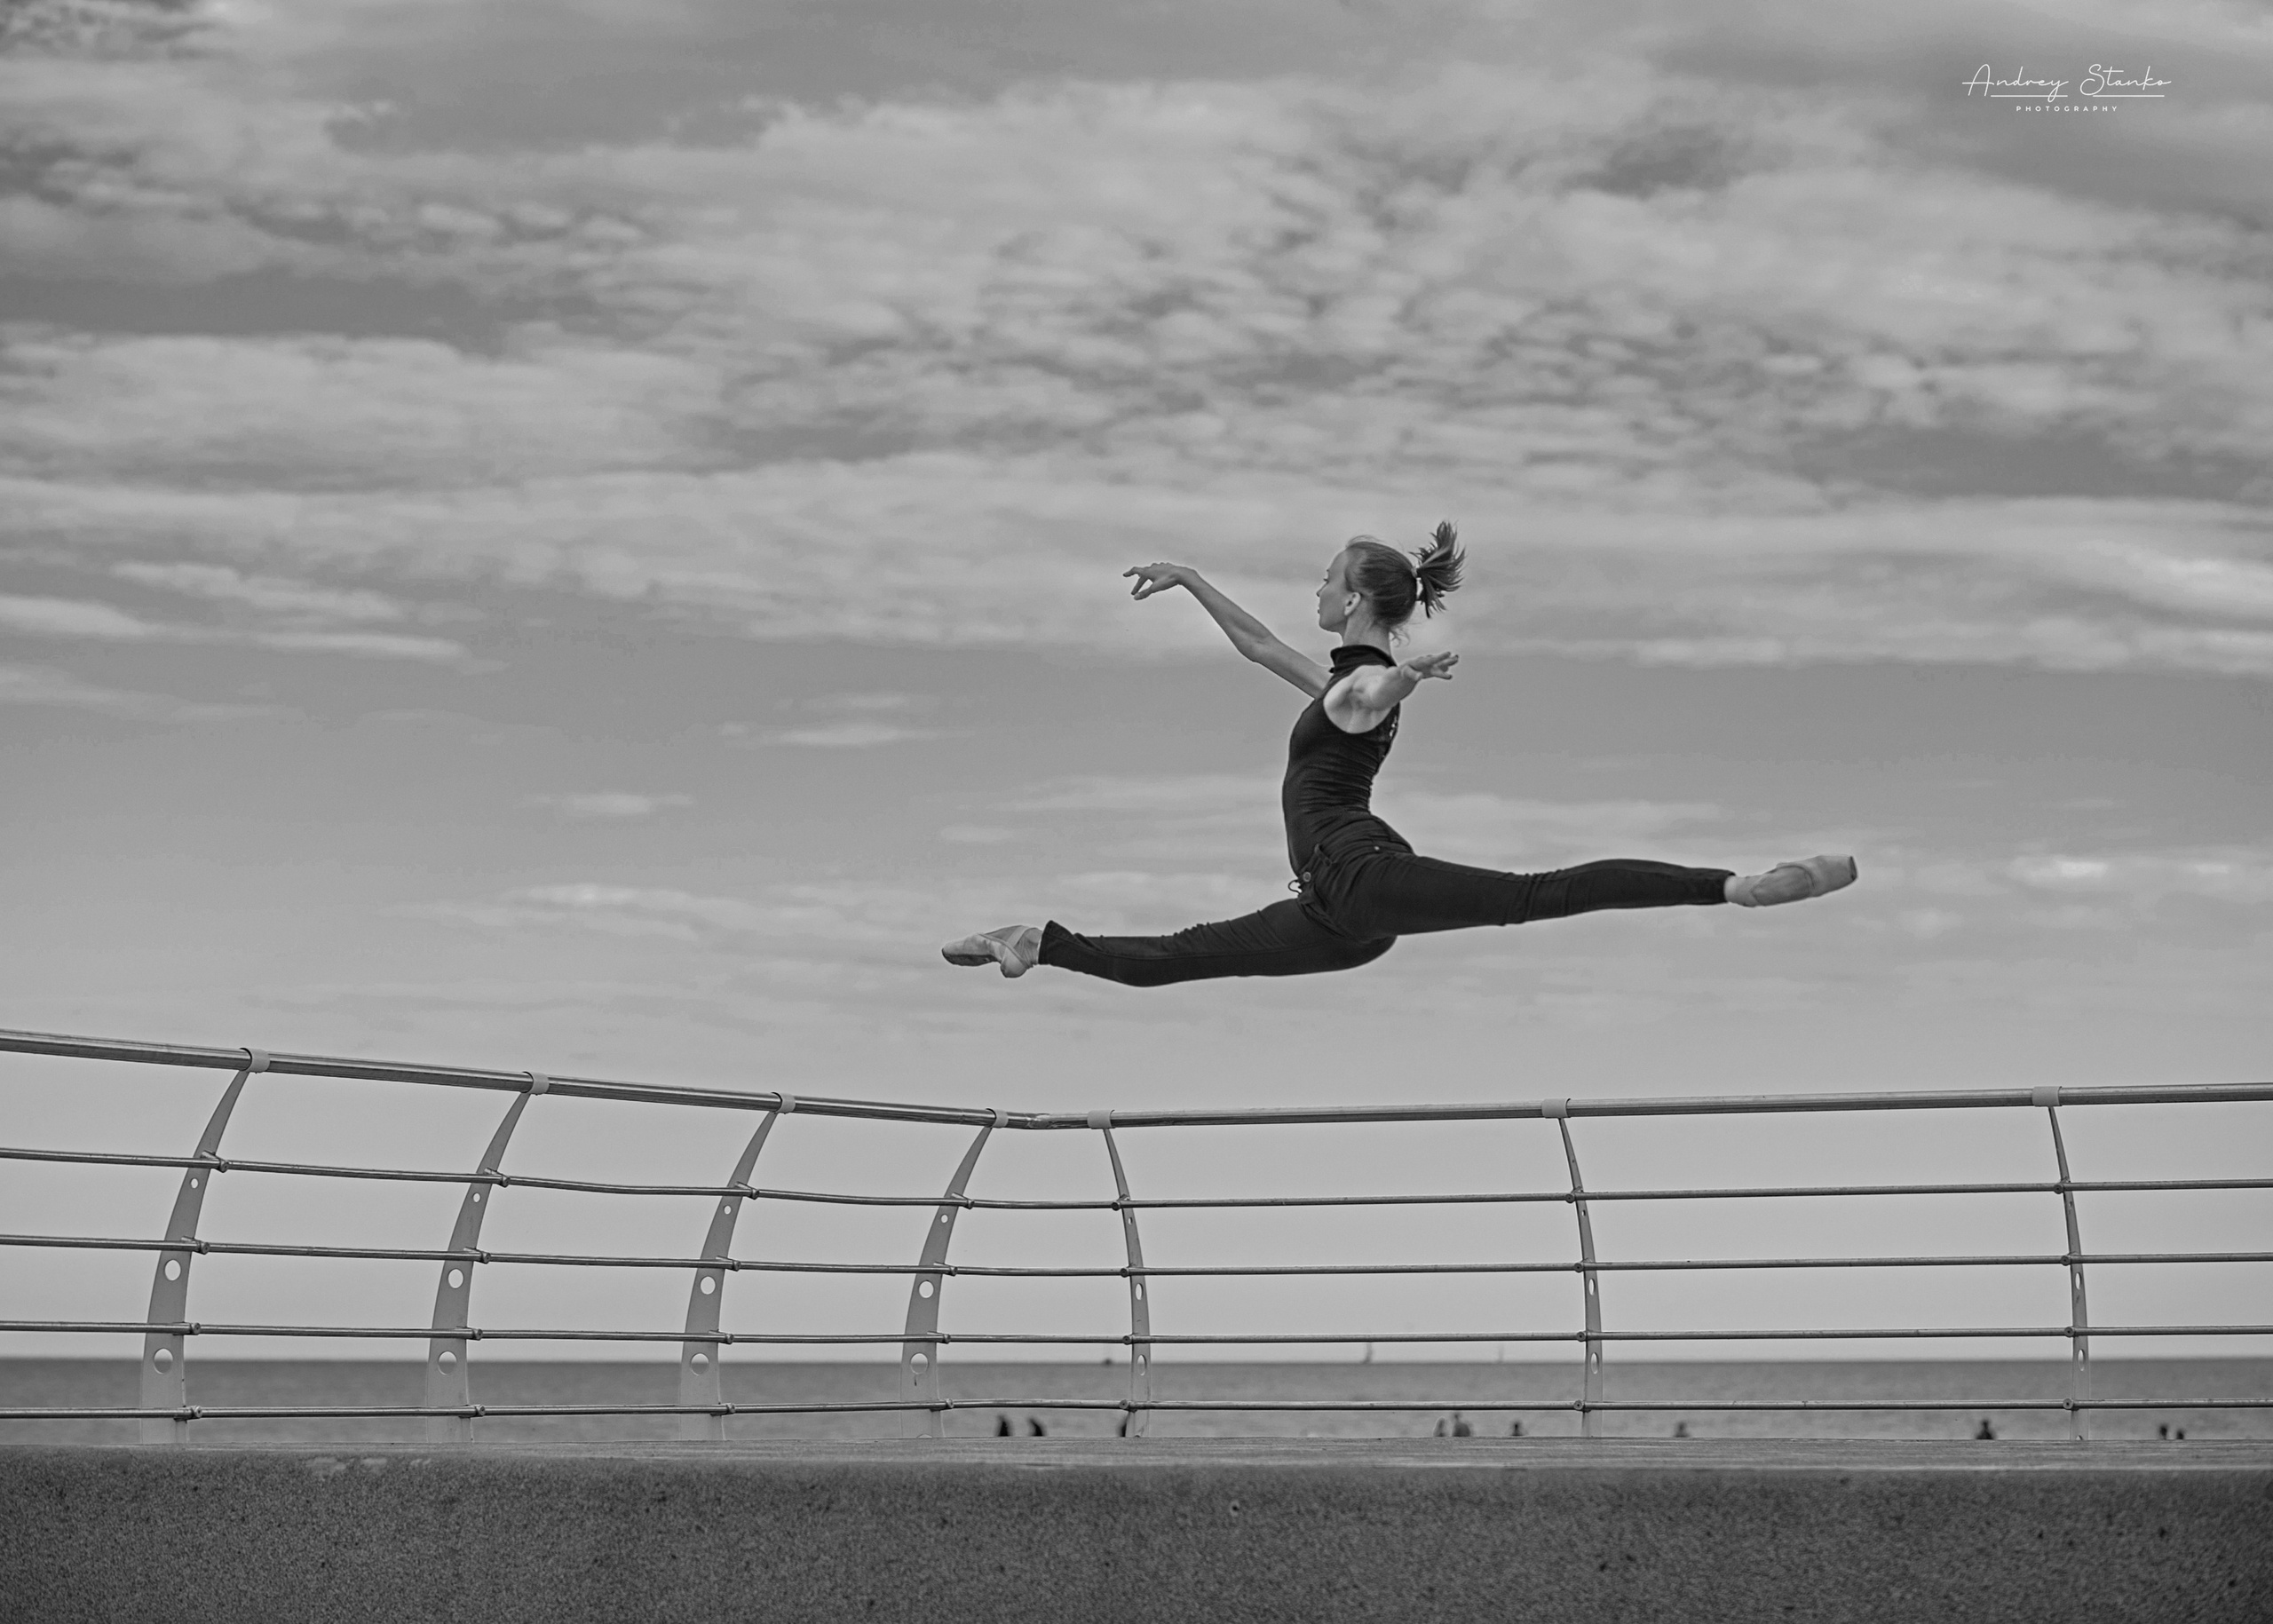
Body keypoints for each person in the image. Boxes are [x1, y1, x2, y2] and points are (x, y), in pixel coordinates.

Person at [944, 526, 1856, 986]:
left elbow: (1362, 698)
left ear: (1353, 602)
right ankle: (1039, 942)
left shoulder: (1362, 679)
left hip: (1363, 875)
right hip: (1341, 913)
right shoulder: (1341, 668)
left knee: (1535, 894)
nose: (1316, 587)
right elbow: (1262, 646)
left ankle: (1731, 886)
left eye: (1326, 579)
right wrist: (1188, 579)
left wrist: (1407, 675)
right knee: (1175, 959)